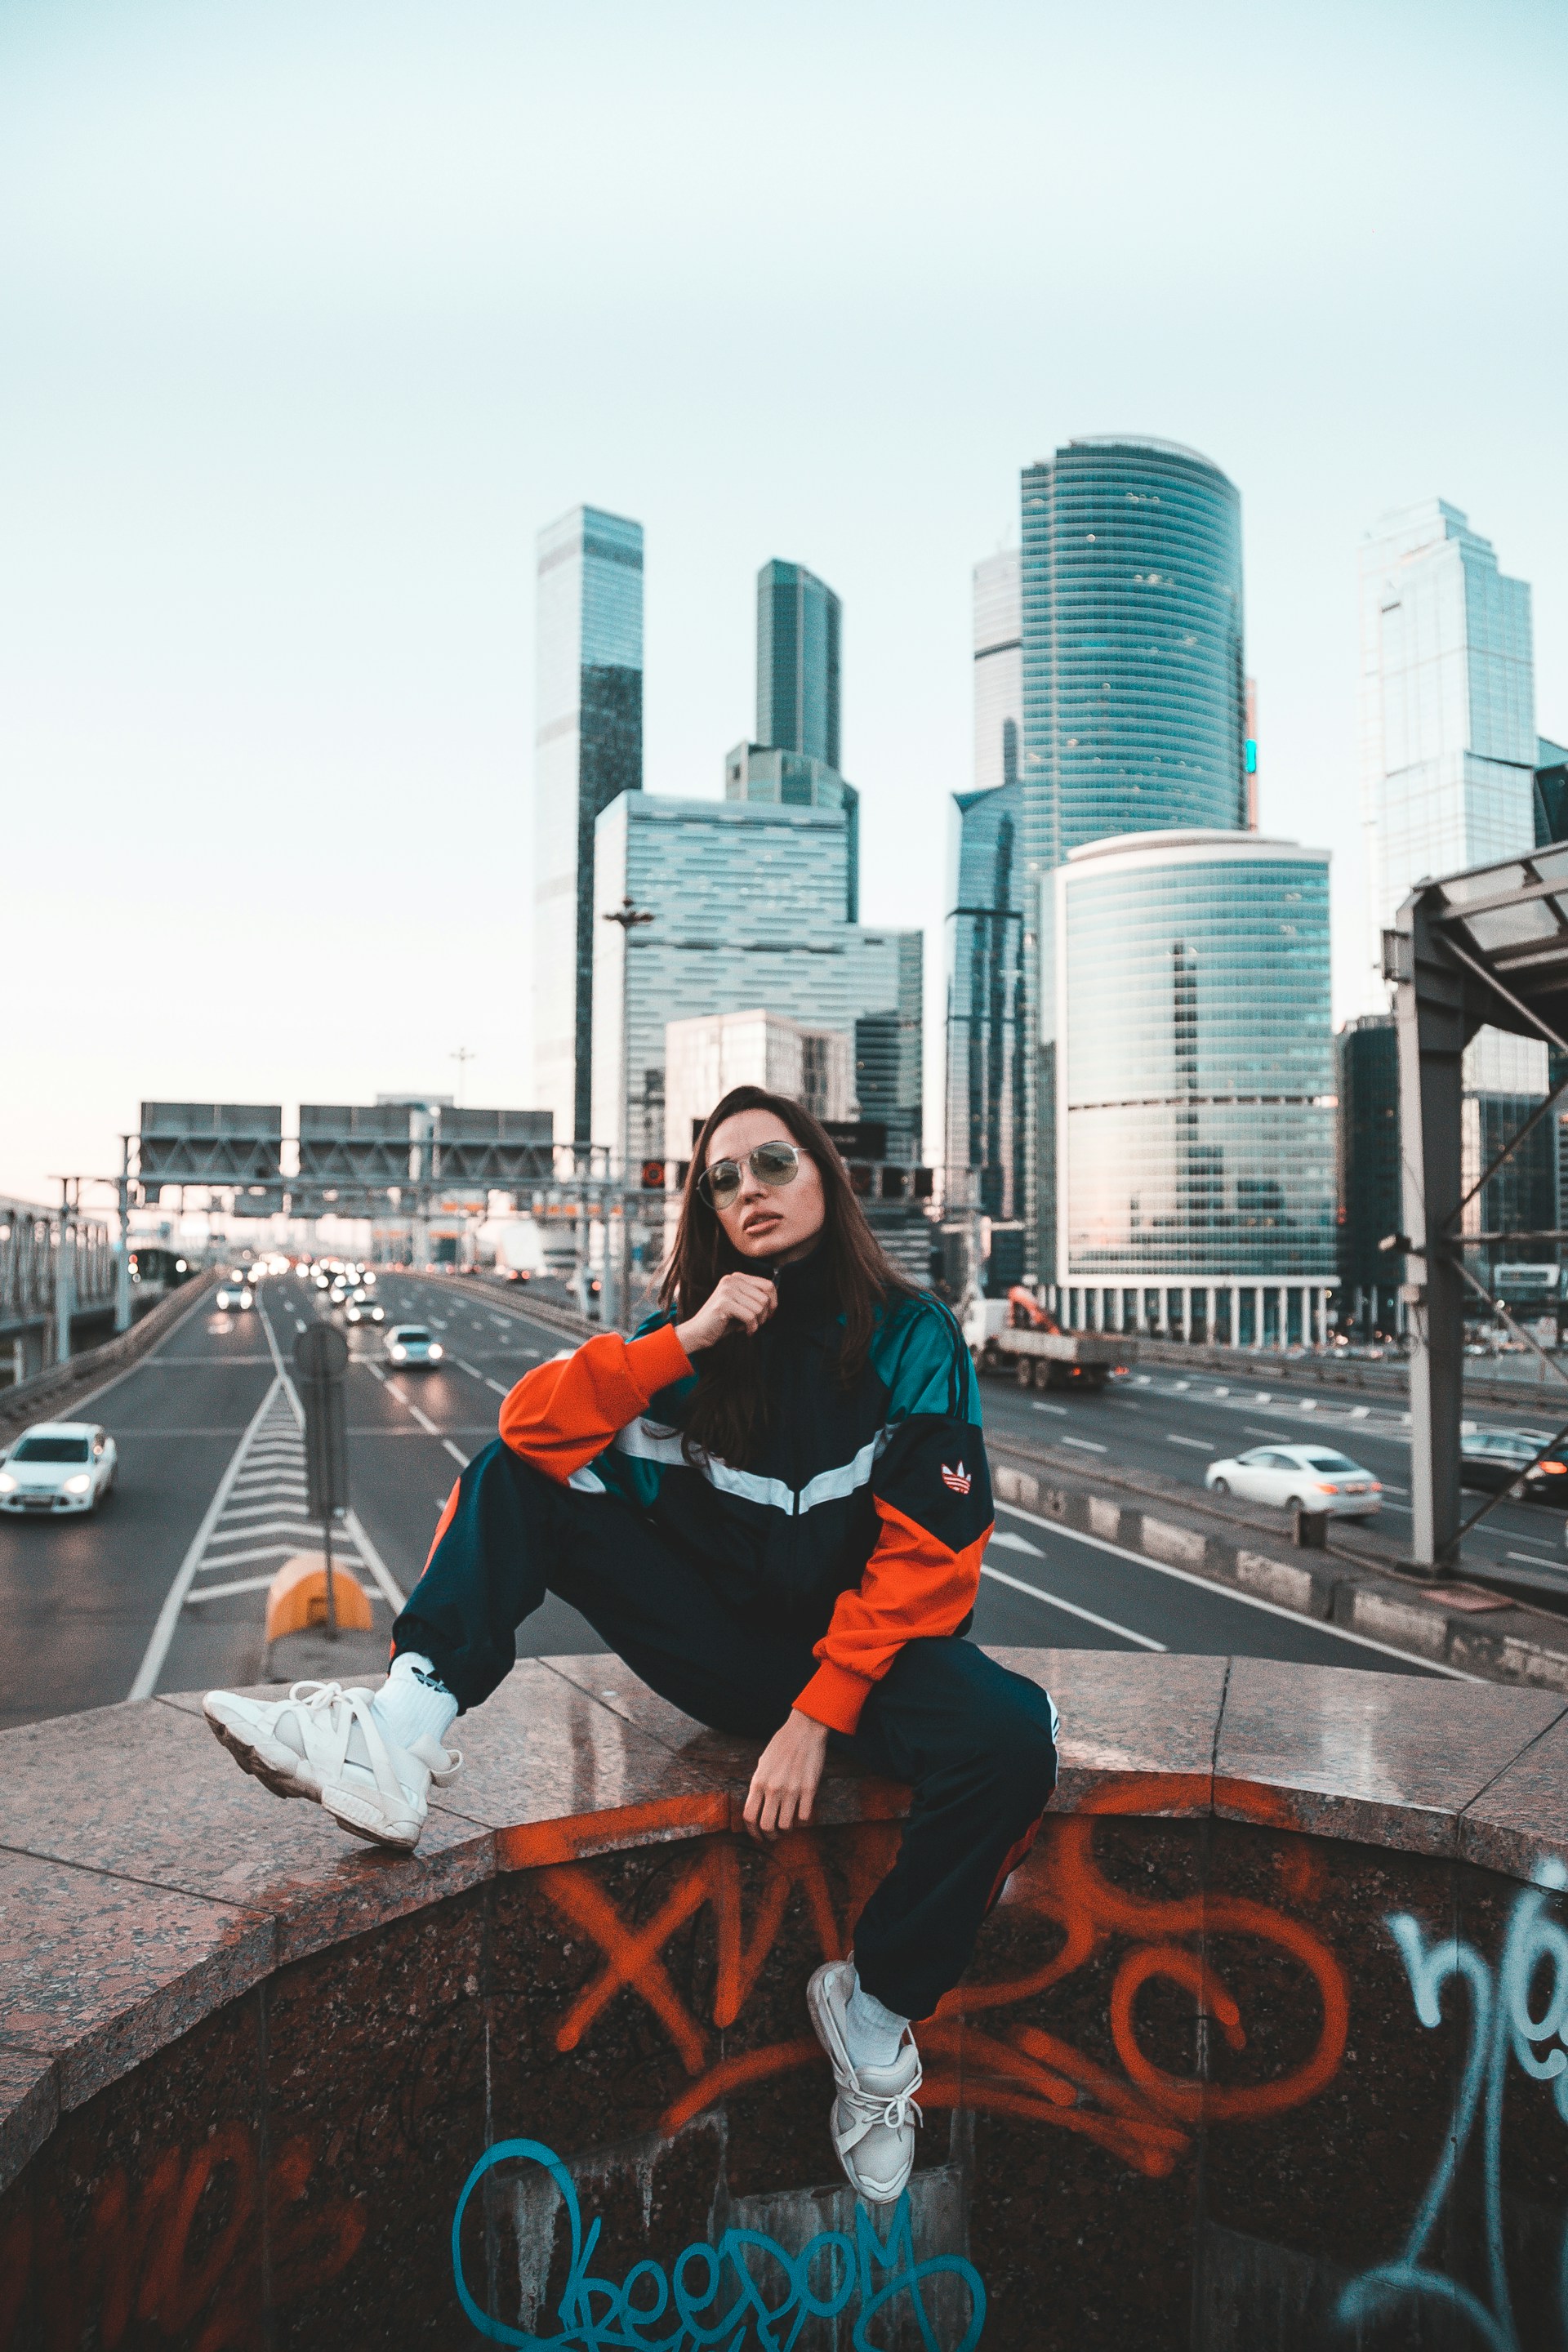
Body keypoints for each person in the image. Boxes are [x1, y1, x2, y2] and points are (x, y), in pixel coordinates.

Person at [204, 1086, 1059, 2204]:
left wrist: (816, 1719)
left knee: (1010, 1740)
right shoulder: (689, 1343)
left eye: (773, 1163)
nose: (750, 1188)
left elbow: (931, 1557)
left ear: (824, 1180)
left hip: (871, 1664)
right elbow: (526, 1437)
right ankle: (399, 1734)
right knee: (523, 1480)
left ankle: (876, 2014)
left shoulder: (911, 1335)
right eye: (723, 1179)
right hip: (720, 1648)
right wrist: (685, 1339)